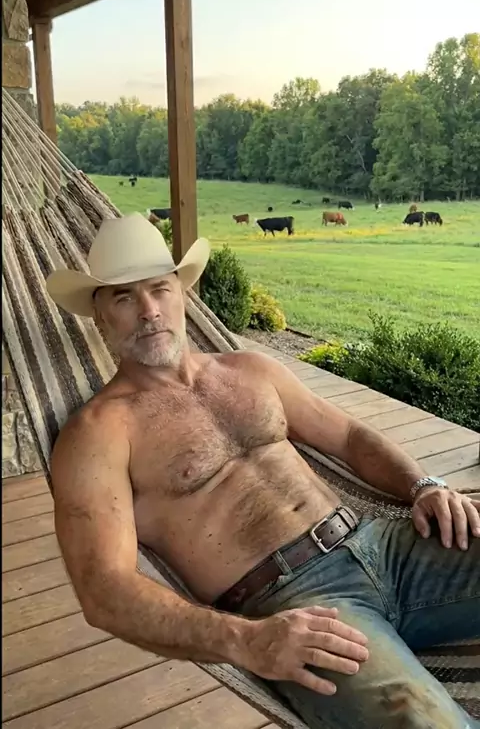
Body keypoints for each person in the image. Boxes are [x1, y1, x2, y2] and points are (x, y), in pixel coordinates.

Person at [46, 213, 480, 729]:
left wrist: (423, 485)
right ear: (100, 317)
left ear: (182, 293)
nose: (149, 311)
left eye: (160, 289)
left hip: (386, 546)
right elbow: (104, 589)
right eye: (124, 298)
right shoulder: (98, 434)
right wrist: (246, 640)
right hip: (300, 607)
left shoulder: (250, 370)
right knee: (422, 721)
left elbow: (348, 436)